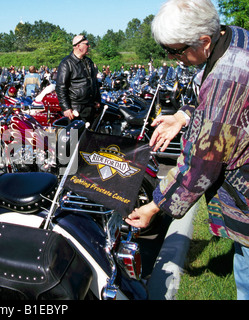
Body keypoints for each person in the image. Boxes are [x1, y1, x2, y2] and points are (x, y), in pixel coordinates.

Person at [125, 0, 249, 300]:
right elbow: (211, 102)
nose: (171, 57)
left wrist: (155, 207)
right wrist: (184, 115)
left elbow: (203, 164)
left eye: (176, 50)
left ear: (204, 41)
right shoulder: (233, 36)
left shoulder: (227, 80)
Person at [55, 34, 100, 124]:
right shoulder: (66, 63)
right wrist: (66, 108)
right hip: (75, 108)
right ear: (79, 46)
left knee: (89, 135)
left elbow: (94, 82)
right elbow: (61, 87)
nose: (89, 46)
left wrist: (97, 100)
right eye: (86, 44)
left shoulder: (89, 62)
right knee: (75, 136)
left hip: (90, 107)